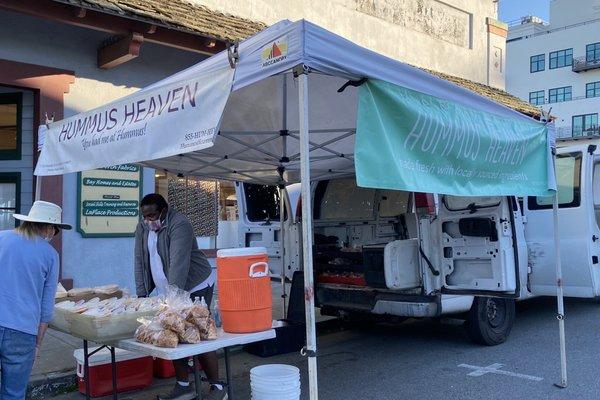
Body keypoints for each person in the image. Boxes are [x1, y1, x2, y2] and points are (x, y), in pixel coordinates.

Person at [134, 193, 223, 400]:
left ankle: (218, 387)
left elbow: (178, 263)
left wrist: (173, 301)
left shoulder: (180, 224)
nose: (149, 220)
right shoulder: (142, 228)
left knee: (199, 332)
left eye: (152, 215)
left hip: (195, 284)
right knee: (174, 333)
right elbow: (139, 260)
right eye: (145, 216)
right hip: (169, 289)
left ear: (164, 211)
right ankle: (184, 386)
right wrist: (141, 294)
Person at [0, 201, 71, 400]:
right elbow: (46, 307)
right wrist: (37, 345)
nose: (53, 235)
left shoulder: (1, 238)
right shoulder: (50, 255)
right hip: (22, 331)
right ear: (48, 227)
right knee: (13, 393)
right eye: (55, 230)